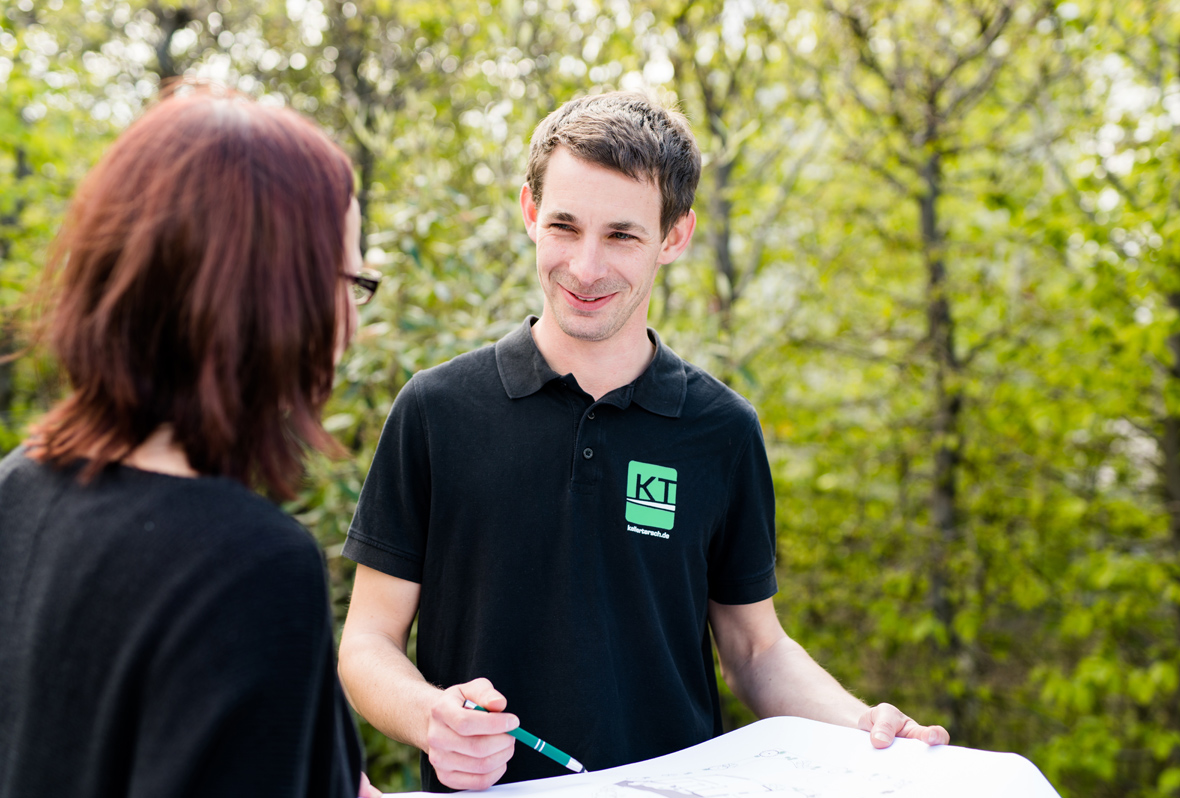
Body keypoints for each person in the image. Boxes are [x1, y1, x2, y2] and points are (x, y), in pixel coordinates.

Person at [338, 91, 950, 793]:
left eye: (622, 235)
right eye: (565, 226)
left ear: (675, 236)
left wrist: (862, 724)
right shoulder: (436, 410)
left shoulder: (722, 431)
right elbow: (366, 643)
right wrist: (428, 715)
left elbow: (755, 649)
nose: (586, 267)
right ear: (530, 212)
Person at [0, 85, 382, 798]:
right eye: (346, 280)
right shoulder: (250, 569)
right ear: (273, 297)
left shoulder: (16, 487)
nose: (351, 325)